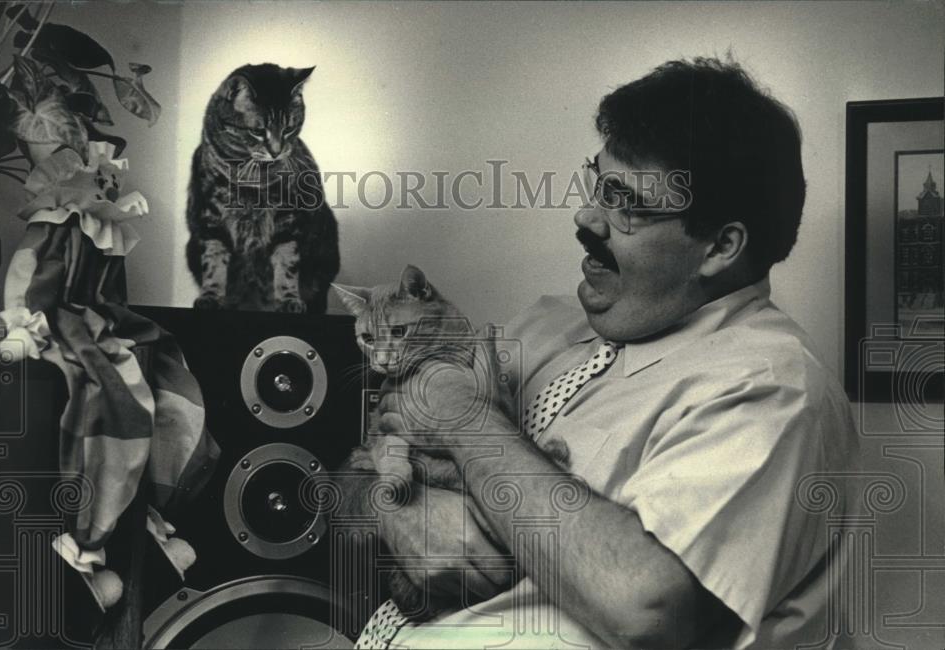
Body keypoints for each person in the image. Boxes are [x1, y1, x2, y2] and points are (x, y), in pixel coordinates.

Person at [339, 57, 857, 649]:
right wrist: (394, 511)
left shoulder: (773, 389)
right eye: (596, 184)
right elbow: (353, 477)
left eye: (626, 202)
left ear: (720, 246)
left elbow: (645, 609)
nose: (586, 217)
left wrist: (467, 424)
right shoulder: (539, 326)